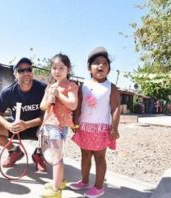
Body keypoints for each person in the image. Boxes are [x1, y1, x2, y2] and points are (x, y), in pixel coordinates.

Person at [69, 47, 121, 198]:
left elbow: (116, 108)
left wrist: (114, 127)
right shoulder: (83, 86)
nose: (101, 66)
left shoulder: (111, 88)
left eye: (105, 64)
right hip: (84, 127)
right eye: (97, 63)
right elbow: (78, 106)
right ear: (89, 68)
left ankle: (99, 187)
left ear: (109, 70)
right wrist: (75, 122)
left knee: (99, 156)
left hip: (101, 128)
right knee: (85, 155)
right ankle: (84, 181)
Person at [0, 57, 48, 172]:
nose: (26, 73)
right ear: (15, 74)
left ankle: (38, 154)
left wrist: (27, 124)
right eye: (21, 70)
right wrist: (8, 125)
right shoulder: (8, 92)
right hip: (16, 128)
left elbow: (46, 117)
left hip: (37, 128)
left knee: (55, 128)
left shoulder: (43, 89)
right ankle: (14, 151)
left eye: (28, 69)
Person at [39, 53, 78, 198]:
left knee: (56, 156)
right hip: (48, 125)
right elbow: (42, 106)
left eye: (61, 67)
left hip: (59, 126)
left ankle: (55, 190)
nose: (57, 71)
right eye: (54, 68)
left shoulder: (71, 85)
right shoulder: (50, 87)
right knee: (53, 155)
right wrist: (49, 98)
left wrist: (59, 95)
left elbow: (73, 105)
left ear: (68, 69)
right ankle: (59, 182)